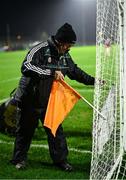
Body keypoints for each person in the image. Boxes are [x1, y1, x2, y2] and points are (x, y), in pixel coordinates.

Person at [10, 23, 95, 171]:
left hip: (49, 100)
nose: (70, 48)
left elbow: (74, 71)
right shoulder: (39, 49)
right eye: (69, 45)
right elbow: (26, 66)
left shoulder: (65, 55)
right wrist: (51, 72)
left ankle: (60, 160)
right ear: (61, 43)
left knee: (55, 130)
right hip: (30, 99)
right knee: (25, 131)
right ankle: (19, 159)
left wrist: (93, 81)